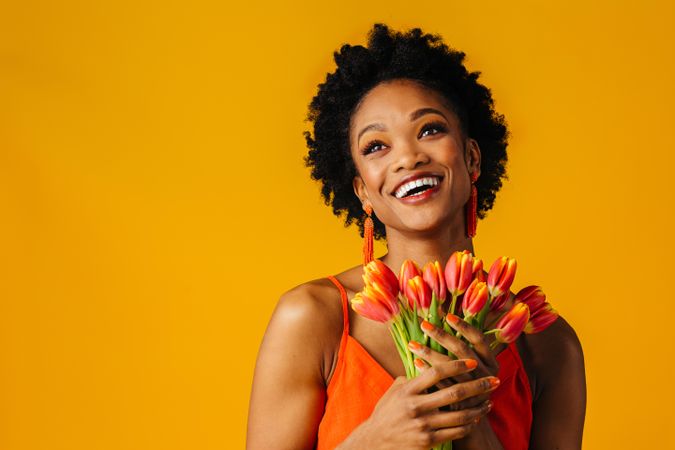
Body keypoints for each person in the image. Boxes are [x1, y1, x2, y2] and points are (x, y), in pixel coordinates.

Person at [246, 23, 586, 450]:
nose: (408, 156)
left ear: (472, 157)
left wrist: (473, 420)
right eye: (375, 147)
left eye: (430, 130)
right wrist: (374, 439)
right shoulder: (315, 319)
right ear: (363, 191)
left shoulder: (545, 343)